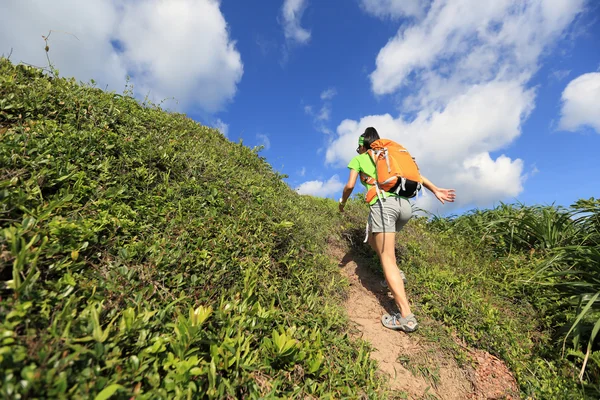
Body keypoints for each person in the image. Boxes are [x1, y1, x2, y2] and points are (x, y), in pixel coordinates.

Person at [338, 127, 456, 332]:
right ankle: (394, 274)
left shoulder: (359, 159)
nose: (357, 149)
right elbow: (417, 175)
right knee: (374, 241)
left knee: (387, 258)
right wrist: (435, 189)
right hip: (404, 207)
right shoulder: (387, 156)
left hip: (384, 206)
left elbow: (349, 186)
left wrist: (342, 203)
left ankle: (406, 316)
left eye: (358, 146)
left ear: (362, 144)